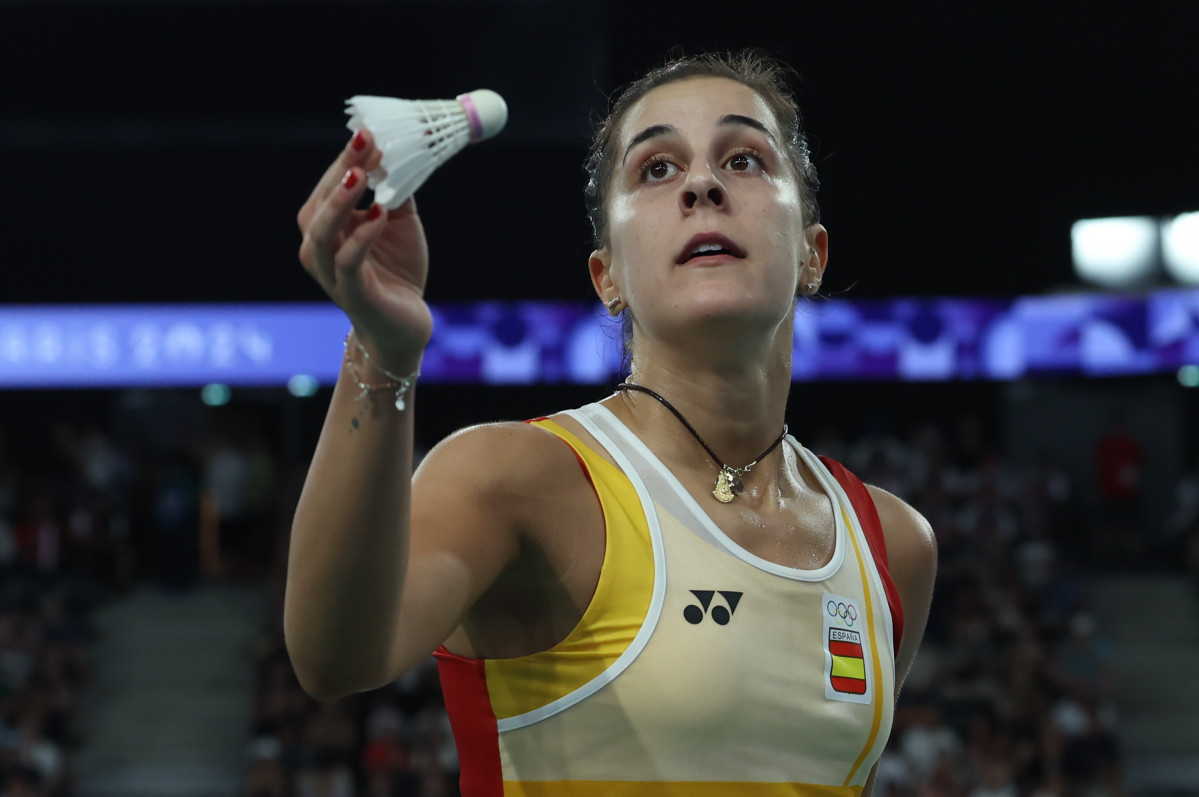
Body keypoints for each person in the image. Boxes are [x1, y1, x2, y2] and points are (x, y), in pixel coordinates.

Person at [286, 50, 937, 795]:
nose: (701, 184)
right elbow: (332, 659)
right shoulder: (514, 477)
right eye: (656, 168)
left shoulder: (894, 544)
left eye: (745, 158)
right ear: (608, 277)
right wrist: (383, 346)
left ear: (812, 255)